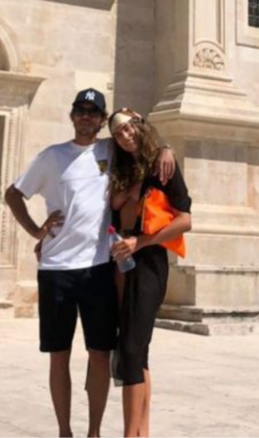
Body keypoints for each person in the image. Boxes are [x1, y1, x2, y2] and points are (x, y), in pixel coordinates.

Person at [3, 89, 175, 438]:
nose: (86, 116)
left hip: (97, 268)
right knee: (59, 355)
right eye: (80, 110)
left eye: (93, 112)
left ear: (101, 120)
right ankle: (64, 431)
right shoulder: (52, 156)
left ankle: (94, 432)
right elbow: (13, 193)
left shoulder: (110, 150)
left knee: (99, 354)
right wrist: (36, 230)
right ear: (72, 115)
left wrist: (166, 147)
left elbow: (140, 139)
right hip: (56, 269)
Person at [107, 109, 192, 438]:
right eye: (118, 133)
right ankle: (141, 431)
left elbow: (185, 220)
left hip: (148, 261)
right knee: (135, 349)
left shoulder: (162, 165)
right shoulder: (121, 168)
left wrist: (140, 242)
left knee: (131, 348)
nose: (125, 136)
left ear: (140, 126)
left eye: (129, 128)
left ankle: (130, 434)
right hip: (120, 261)